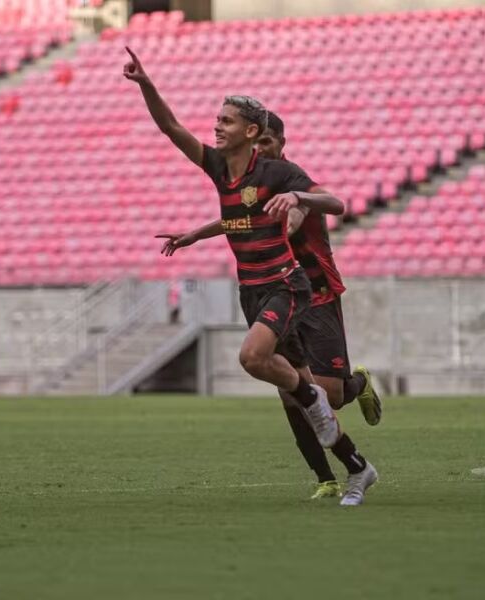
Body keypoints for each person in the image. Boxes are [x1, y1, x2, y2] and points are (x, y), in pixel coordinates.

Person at [124, 47, 347, 472]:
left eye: (225, 121)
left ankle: (343, 409)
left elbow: (334, 203)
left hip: (297, 286)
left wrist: (298, 199)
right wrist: (147, 84)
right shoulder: (219, 168)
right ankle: (338, 472)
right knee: (294, 388)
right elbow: (171, 128)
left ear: (251, 132)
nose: (215, 126)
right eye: (217, 120)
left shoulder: (279, 172)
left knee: (305, 384)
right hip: (255, 290)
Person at [158, 112, 380, 505]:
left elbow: (298, 214)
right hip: (273, 290)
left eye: (266, 145)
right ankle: (327, 476)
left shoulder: (288, 180)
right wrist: (197, 233)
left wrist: (292, 206)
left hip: (316, 293)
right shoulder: (251, 181)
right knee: (290, 391)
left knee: (328, 395)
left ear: (279, 143)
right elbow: (241, 217)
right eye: (257, 147)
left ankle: (357, 383)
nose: (260, 152)